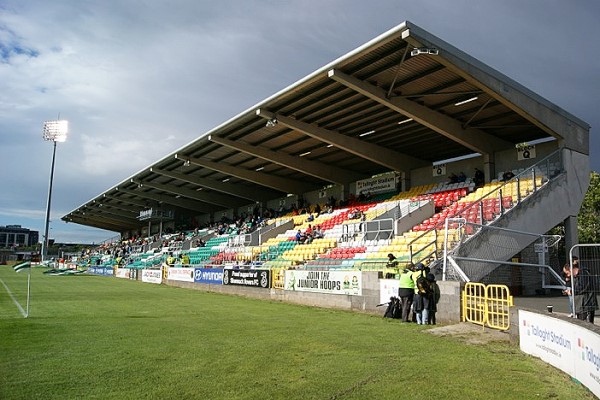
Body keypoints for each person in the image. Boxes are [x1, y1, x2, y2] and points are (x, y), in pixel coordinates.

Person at [566, 258, 598, 323]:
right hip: (581, 305)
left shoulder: (584, 274)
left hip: (586, 304)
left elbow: (584, 287)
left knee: (587, 325)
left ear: (572, 269)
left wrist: (572, 292)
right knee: (581, 323)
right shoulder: (576, 277)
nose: (568, 275)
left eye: (568, 273)